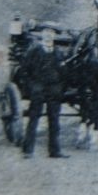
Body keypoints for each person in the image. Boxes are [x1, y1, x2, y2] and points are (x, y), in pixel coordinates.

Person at [20, 26, 68, 159]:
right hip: (38, 89)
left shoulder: (58, 52)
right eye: (46, 32)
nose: (48, 35)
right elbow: (25, 70)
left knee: (54, 120)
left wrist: (59, 86)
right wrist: (33, 86)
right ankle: (28, 151)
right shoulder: (34, 51)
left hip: (54, 90)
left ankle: (55, 151)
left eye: (51, 33)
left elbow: (64, 73)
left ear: (54, 36)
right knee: (34, 118)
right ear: (41, 35)